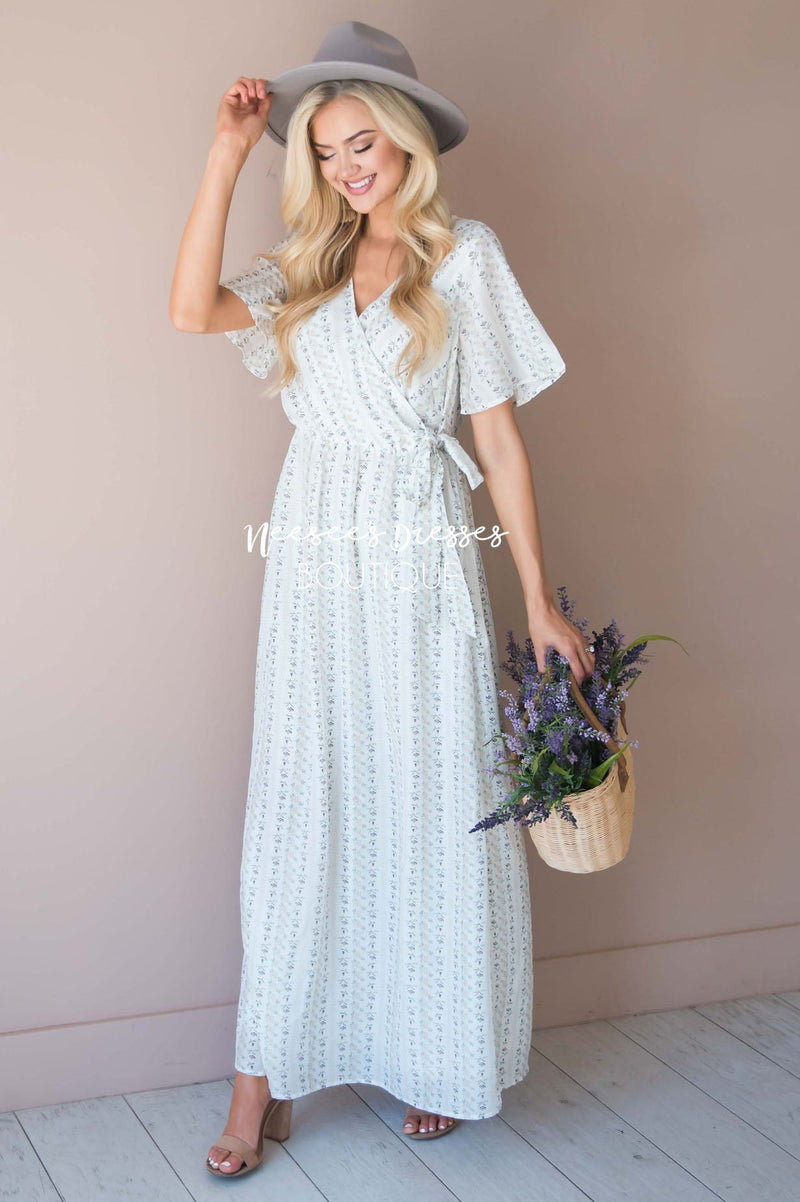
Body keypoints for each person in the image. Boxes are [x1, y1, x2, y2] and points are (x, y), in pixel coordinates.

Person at [170, 20, 595, 1180]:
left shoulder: (465, 257)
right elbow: (190, 310)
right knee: (303, 802)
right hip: (315, 560)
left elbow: (496, 442)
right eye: (325, 150)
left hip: (421, 554)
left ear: (406, 137)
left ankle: (430, 1052)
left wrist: (539, 600)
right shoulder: (304, 264)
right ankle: (261, 1079)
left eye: (363, 142)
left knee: (425, 796)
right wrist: (227, 152)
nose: (347, 166)